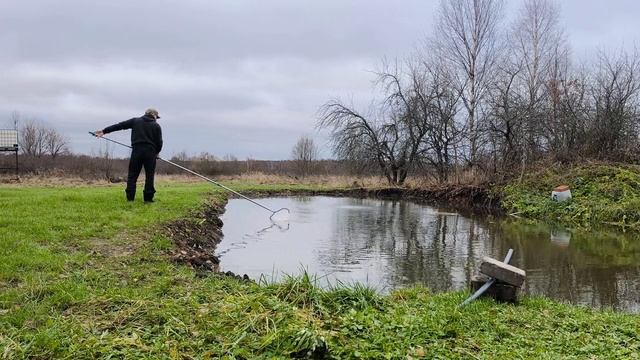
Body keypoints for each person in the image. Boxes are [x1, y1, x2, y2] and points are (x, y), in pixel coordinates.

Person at [95, 108, 163, 203]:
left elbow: (120, 126)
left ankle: (130, 199)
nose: (156, 119)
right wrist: (156, 153)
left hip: (136, 151)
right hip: (150, 153)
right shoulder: (156, 126)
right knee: (149, 176)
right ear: (154, 115)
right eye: (156, 117)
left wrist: (104, 131)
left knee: (132, 176)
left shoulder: (135, 121)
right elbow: (159, 143)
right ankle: (148, 199)